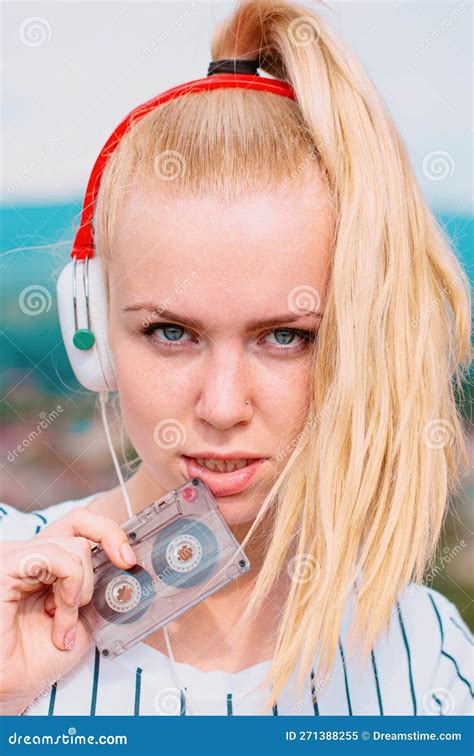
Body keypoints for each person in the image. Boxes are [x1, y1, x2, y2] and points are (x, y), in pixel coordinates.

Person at [1, 0, 472, 717]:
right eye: (170, 332)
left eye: (287, 336)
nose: (222, 406)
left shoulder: (427, 659)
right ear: (89, 334)